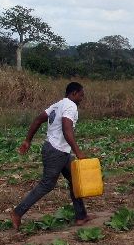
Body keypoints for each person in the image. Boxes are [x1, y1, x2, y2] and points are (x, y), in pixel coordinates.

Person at [9, 81, 89, 229]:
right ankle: (17, 212)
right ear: (74, 93)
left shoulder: (57, 105)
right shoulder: (70, 106)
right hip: (56, 151)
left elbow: (38, 119)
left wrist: (28, 140)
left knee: (75, 180)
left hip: (59, 151)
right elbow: (67, 129)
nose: (82, 98)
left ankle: (81, 216)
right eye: (81, 95)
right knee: (47, 184)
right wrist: (78, 151)